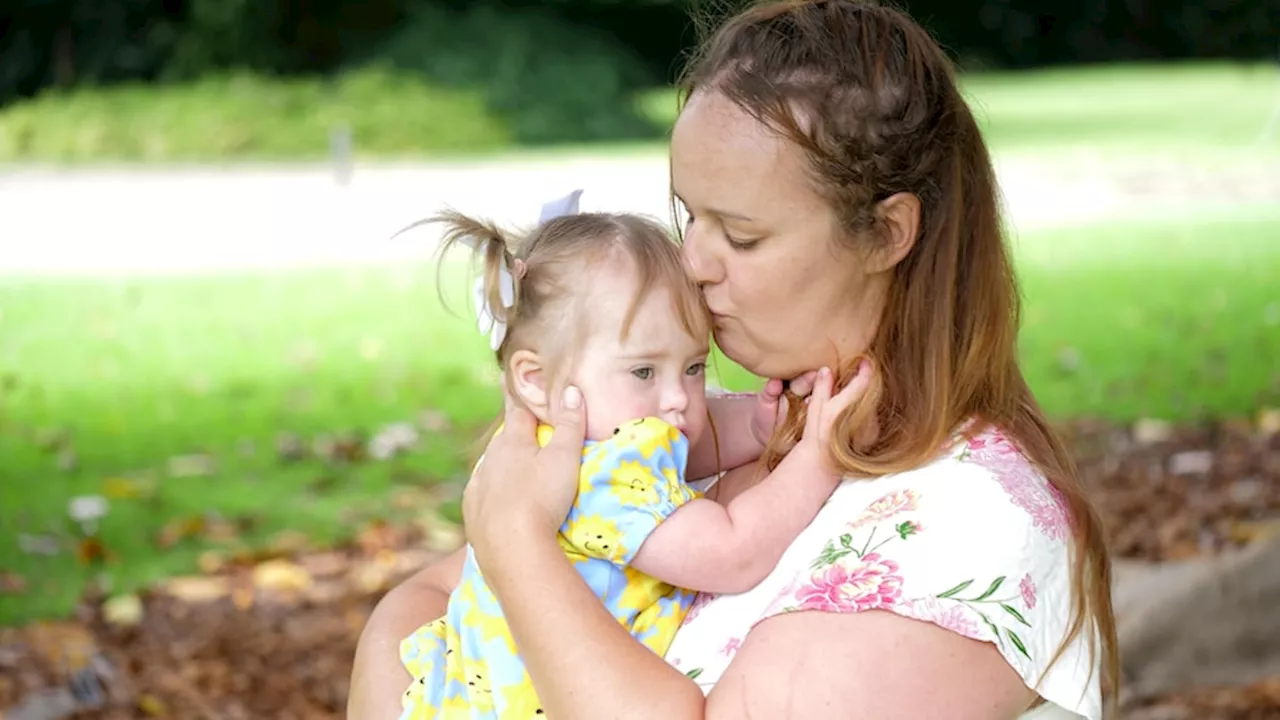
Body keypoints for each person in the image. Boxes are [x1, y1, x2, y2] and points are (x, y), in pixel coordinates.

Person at [350, 1, 1120, 718]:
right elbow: (419, 613)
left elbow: (491, 586)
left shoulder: (969, 523)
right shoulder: (707, 427)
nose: (692, 262)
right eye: (690, 217)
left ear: (888, 234)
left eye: (741, 236)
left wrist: (513, 539)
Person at [397, 195, 866, 718]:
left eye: (692, 367)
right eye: (644, 372)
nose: (678, 398)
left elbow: (683, 445)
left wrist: (760, 430)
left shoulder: (552, 448)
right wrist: (818, 458)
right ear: (534, 380)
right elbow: (731, 553)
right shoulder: (605, 475)